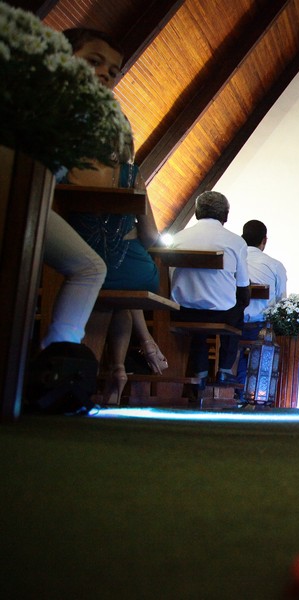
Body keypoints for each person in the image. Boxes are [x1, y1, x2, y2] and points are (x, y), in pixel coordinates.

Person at [57, 28, 168, 404]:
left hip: (71, 248)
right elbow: (151, 237)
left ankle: (85, 370)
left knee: (104, 273)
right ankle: (108, 368)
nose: (106, 74)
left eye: (113, 70)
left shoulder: (68, 162)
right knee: (116, 277)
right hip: (124, 265)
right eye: (94, 62)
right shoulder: (131, 176)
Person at [169, 190, 250, 386]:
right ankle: (224, 370)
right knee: (238, 307)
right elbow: (243, 285)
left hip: (183, 312)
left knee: (197, 314)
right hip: (221, 314)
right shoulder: (236, 242)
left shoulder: (178, 238)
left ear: (196, 212)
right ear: (226, 216)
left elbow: (170, 277)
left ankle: (200, 371)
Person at [236, 220, 287, 392]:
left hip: (232, 323)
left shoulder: (234, 259)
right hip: (259, 328)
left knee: (234, 341)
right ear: (264, 240)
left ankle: (237, 386)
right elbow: (281, 302)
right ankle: (256, 390)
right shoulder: (275, 265)